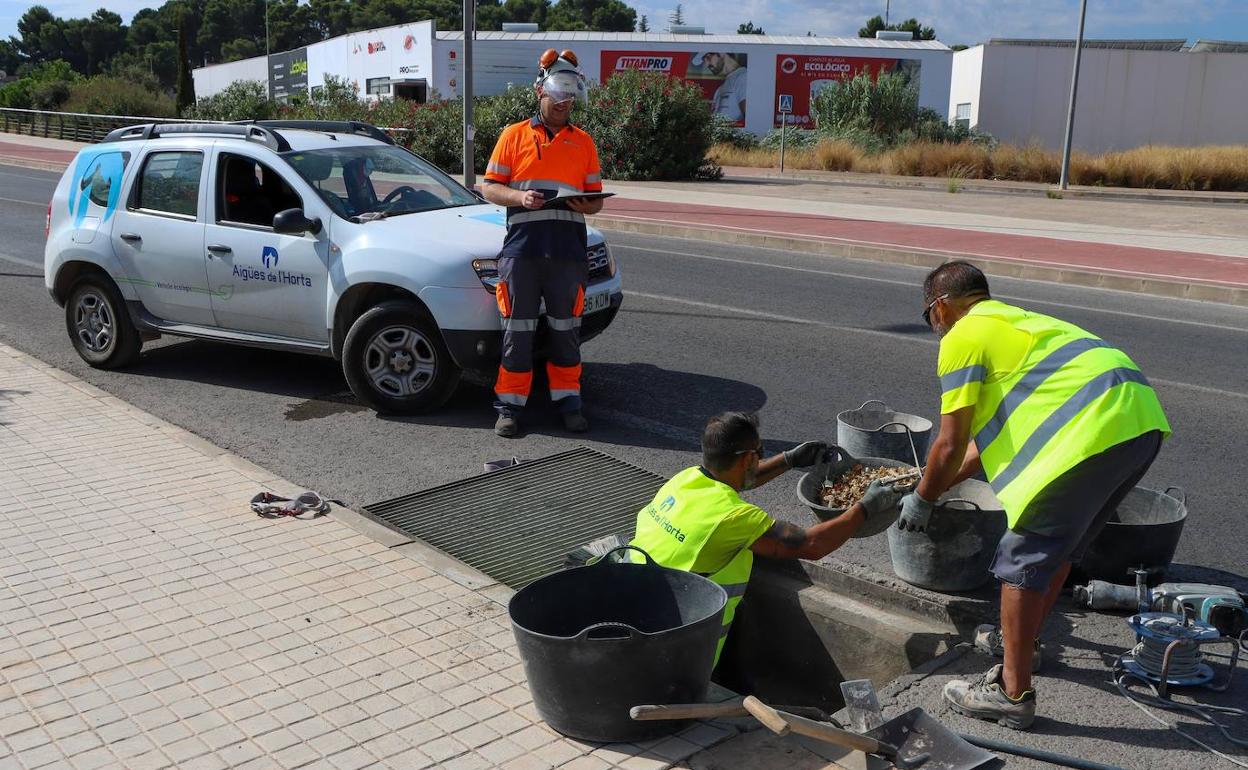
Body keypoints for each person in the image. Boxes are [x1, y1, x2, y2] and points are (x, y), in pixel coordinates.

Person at [898, 261, 1170, 730]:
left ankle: (1011, 693)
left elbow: (949, 443)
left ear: (940, 306)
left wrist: (921, 500)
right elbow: (978, 451)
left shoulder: (963, 337)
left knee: (1020, 560)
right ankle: (1021, 649)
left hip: (1090, 431)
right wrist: (934, 485)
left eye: (930, 320)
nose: (935, 329)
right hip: (1139, 422)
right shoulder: (1018, 324)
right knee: (1057, 550)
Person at [630, 412, 907, 667]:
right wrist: (867, 506)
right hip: (680, 656)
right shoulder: (734, 517)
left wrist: (789, 460)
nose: (760, 459)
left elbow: (737, 479)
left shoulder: (684, 480)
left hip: (636, 619)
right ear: (747, 459)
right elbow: (811, 545)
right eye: (759, 454)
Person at [481, 49, 605, 438]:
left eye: (571, 96)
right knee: (517, 332)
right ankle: (509, 409)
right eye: (558, 94)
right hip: (523, 251)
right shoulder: (513, 135)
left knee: (566, 330)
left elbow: (596, 199)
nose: (565, 103)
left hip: (568, 251)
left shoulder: (583, 141)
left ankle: (569, 404)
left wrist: (591, 204)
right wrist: (520, 198)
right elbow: (488, 187)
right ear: (541, 93)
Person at [699, 52, 748, 124]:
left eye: (708, 57)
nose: (706, 64)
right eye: (704, 60)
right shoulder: (720, 89)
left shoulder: (744, 76)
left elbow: (751, 120)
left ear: (721, 53)